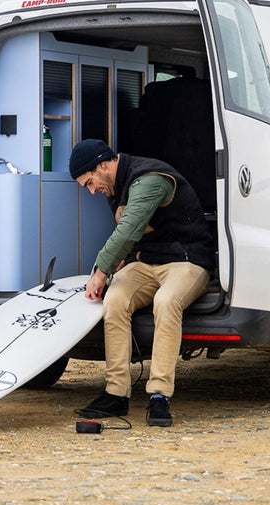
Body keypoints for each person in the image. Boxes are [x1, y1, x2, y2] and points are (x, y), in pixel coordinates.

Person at [69, 139, 212, 427]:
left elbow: (128, 229)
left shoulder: (150, 178)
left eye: (89, 183)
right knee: (115, 300)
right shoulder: (117, 183)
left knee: (166, 301)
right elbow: (129, 235)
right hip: (147, 262)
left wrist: (100, 272)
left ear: (103, 165)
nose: (92, 191)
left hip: (187, 261)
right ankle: (116, 393)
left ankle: (159, 396)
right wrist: (117, 264)